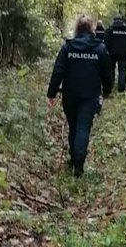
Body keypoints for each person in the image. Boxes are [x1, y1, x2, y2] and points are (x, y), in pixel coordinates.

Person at [47, 15, 113, 177]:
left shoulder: (68, 48)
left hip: (70, 95)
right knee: (83, 128)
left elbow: (58, 71)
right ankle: (78, 164)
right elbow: (107, 72)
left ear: (77, 29)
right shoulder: (100, 49)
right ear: (91, 29)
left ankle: (75, 158)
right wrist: (107, 90)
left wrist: (52, 93)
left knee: (74, 127)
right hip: (90, 96)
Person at [105, 15, 126, 92]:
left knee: (111, 70)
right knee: (122, 71)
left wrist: (106, 53)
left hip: (111, 54)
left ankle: (110, 86)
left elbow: (106, 43)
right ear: (122, 21)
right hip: (124, 54)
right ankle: (121, 89)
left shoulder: (109, 30)